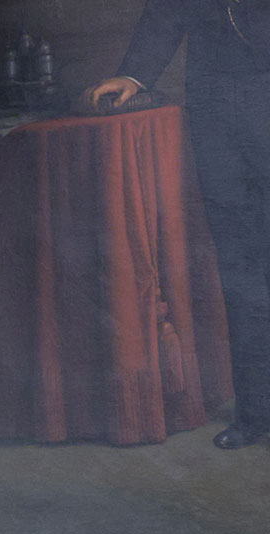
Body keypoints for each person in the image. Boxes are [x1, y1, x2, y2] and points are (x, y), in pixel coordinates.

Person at [86, 1, 270, 449]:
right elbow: (168, 10)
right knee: (241, 272)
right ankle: (256, 413)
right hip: (217, 111)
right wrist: (134, 75)